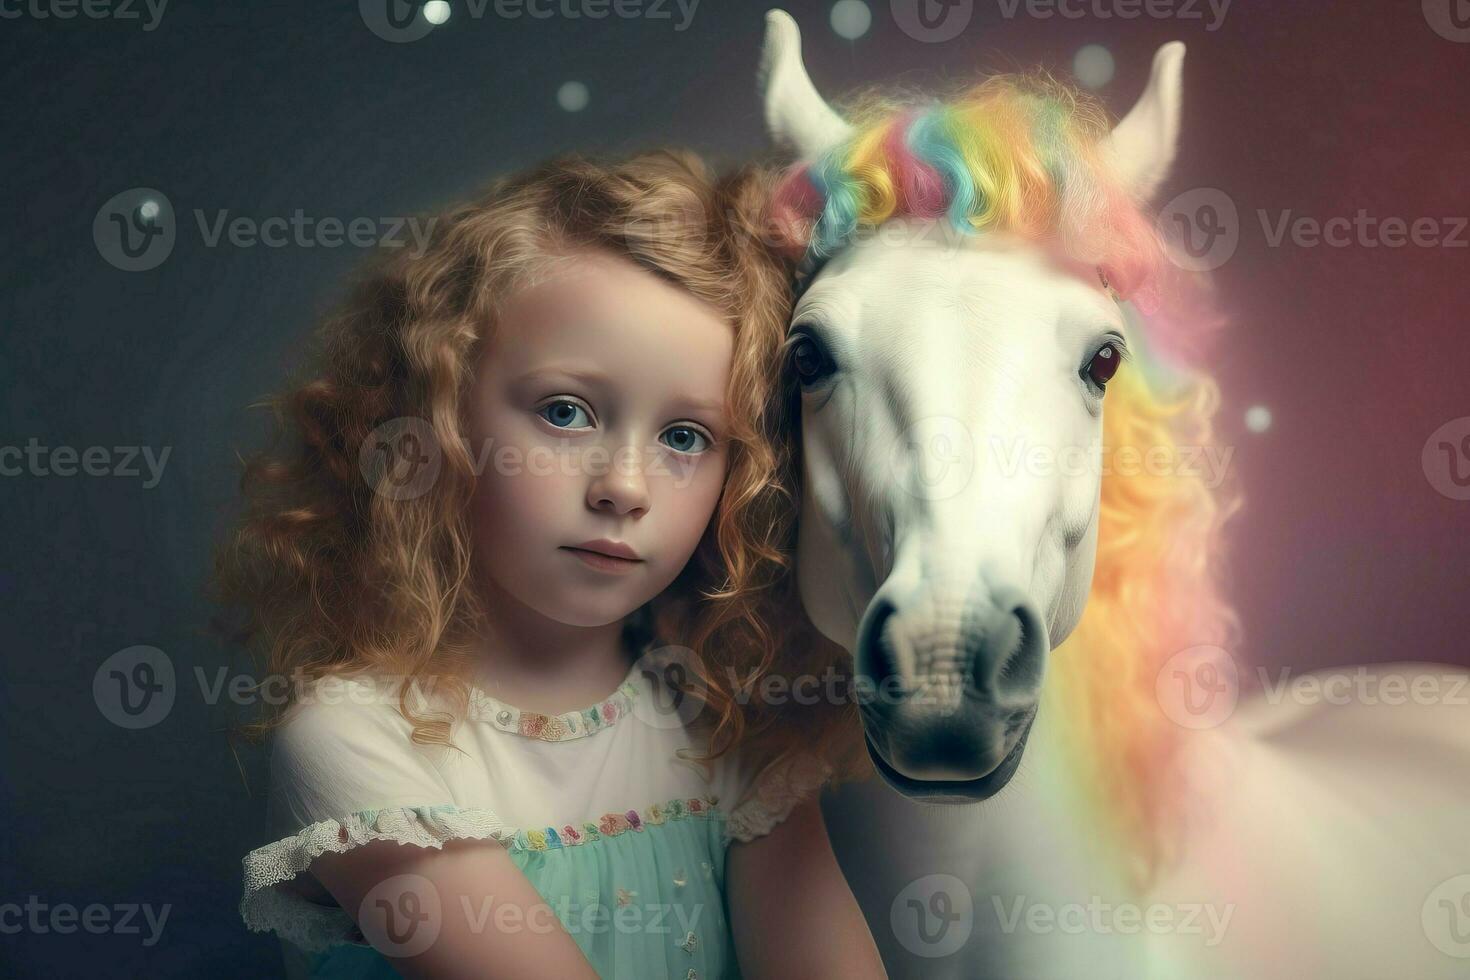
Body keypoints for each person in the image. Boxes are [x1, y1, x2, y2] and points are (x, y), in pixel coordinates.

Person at [212, 149, 885, 978]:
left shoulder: (723, 724)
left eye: (685, 437)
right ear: (443, 418)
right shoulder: (353, 737)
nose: (625, 487)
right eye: (566, 412)